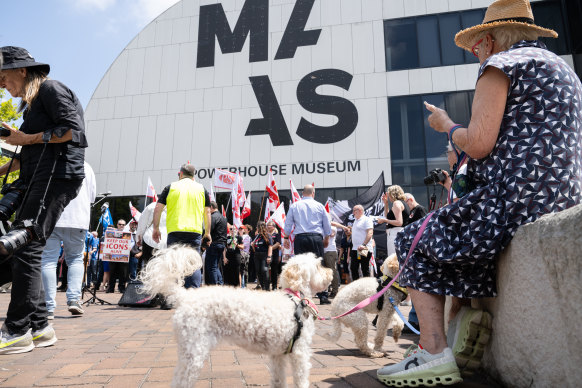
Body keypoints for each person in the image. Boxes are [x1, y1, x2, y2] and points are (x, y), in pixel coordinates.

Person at [377, 0, 582, 384]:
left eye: (476, 47)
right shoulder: (563, 70)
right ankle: (458, 329)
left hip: (515, 197)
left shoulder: (500, 65)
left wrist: (447, 125)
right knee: (450, 236)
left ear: (489, 41)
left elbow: (480, 143)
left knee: (411, 238)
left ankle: (433, 352)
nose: (476, 54)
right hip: (559, 194)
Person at [0, 46, 88, 354]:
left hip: (58, 175)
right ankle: (39, 328)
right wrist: (4, 168)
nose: (1, 84)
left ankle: (16, 330)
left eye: (3, 76)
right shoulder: (33, 102)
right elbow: (31, 152)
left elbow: (71, 130)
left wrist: (24, 138)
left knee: (25, 244)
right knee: (26, 247)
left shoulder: (51, 89)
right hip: (41, 175)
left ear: (22, 70)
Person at [41, 161, 96, 319]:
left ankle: (48, 306)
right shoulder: (87, 166)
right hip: (78, 218)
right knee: (76, 259)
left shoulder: (52, 162)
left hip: (53, 217)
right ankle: (73, 300)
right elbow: (91, 197)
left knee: (48, 261)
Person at [153, 163, 211, 289]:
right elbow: (207, 212)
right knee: (193, 263)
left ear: (180, 174)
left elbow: (158, 208)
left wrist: (156, 229)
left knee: (173, 263)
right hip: (194, 231)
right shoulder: (201, 189)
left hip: (175, 230)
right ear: (193, 176)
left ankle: (172, 295)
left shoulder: (171, 187)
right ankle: (193, 294)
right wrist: (207, 233)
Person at [283, 184, 332, 304]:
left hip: (301, 238)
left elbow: (288, 223)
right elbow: (327, 224)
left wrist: (286, 237)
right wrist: (326, 237)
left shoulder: (295, 206)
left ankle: (302, 295)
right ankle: (323, 295)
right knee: (318, 265)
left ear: (302, 193)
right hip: (316, 238)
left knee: (301, 266)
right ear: (313, 193)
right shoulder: (320, 206)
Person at [135, 201, 167, 276]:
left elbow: (142, 224)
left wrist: (138, 239)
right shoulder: (174, 206)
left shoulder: (152, 206)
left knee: (148, 266)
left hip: (150, 239)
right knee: (163, 268)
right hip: (165, 241)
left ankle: (150, 285)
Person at [377, 185, 410, 256]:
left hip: (395, 233)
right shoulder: (403, 203)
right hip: (401, 232)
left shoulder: (396, 203)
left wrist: (384, 221)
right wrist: (386, 203)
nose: (388, 197)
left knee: (393, 258)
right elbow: (388, 216)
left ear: (392, 194)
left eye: (389, 195)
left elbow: (399, 222)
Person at [349, 205, 373, 281]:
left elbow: (370, 233)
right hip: (355, 249)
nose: (353, 212)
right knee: (353, 268)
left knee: (364, 269)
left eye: (354, 210)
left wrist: (363, 244)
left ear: (360, 211)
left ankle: (368, 289)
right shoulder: (355, 221)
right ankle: (357, 287)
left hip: (364, 248)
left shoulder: (366, 220)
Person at [206, 202, 227, 285]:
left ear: (211, 207)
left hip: (214, 244)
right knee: (215, 266)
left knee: (212, 267)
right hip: (221, 244)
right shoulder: (223, 218)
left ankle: (215, 286)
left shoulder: (213, 217)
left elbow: (209, 230)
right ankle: (220, 283)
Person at [106, 219, 129, 293]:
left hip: (123, 256)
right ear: (117, 224)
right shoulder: (112, 233)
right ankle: (111, 288)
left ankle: (121, 288)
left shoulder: (127, 233)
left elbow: (131, 242)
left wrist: (129, 246)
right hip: (113, 256)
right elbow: (107, 241)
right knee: (112, 272)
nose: (121, 226)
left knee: (123, 273)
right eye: (120, 224)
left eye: (123, 224)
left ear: (125, 225)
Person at [251, 221, 272, 291]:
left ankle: (267, 287)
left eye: (257, 226)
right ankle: (263, 287)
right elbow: (254, 249)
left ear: (260, 227)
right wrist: (253, 246)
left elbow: (270, 246)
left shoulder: (268, 235)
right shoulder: (257, 236)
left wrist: (269, 256)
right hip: (257, 255)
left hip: (264, 255)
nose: (256, 228)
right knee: (258, 271)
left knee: (264, 270)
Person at [267, 220, 282, 291]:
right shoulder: (265, 235)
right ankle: (266, 286)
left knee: (274, 271)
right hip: (266, 255)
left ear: (273, 227)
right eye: (267, 225)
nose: (268, 227)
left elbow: (278, 243)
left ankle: (274, 286)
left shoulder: (276, 235)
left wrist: (270, 249)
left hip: (274, 255)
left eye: (269, 225)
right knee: (265, 270)